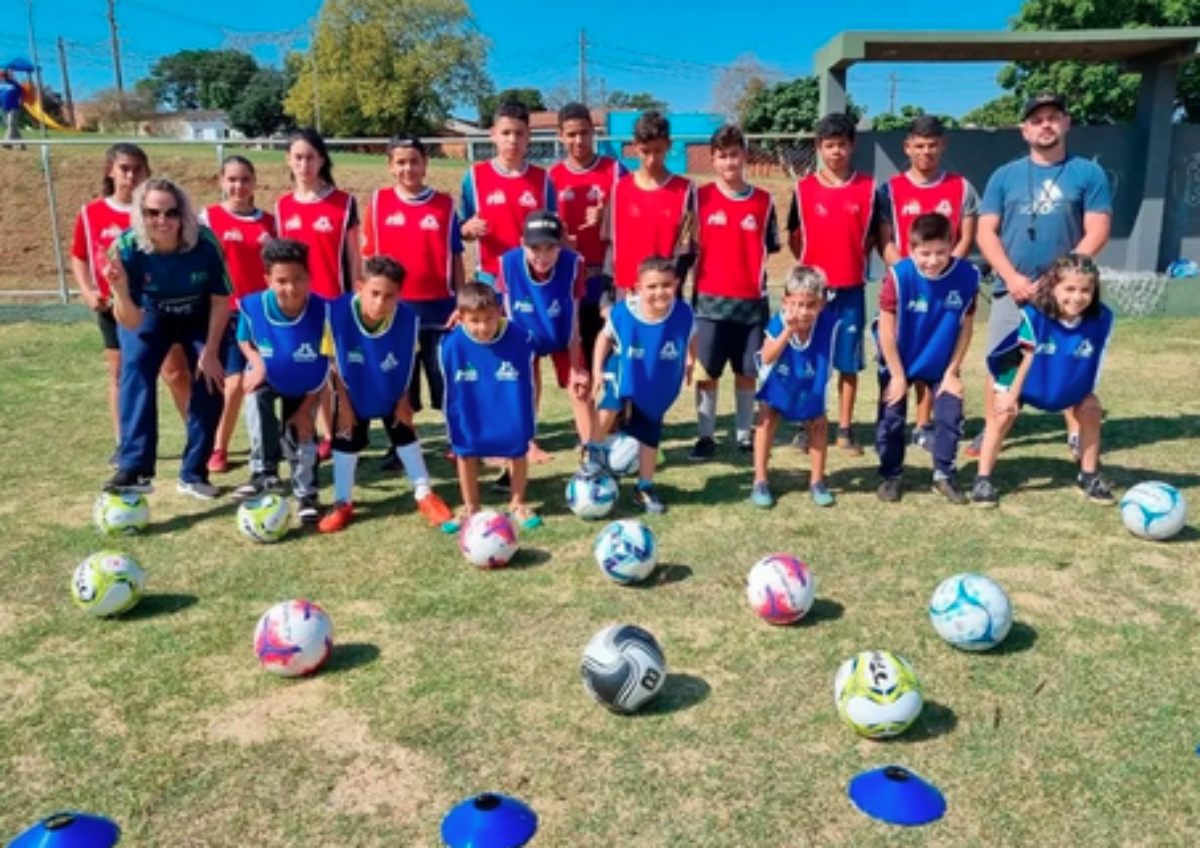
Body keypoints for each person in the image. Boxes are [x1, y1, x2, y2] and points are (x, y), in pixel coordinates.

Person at [969, 93, 1112, 461]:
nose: (1045, 125)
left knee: (1069, 361)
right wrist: (1012, 277)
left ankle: (1076, 431)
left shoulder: (1088, 173)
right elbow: (986, 232)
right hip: (1012, 290)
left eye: (1053, 117)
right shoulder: (1005, 176)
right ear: (1024, 130)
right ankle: (992, 428)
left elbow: (1097, 230)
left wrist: (1058, 279)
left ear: (1066, 123)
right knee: (1002, 362)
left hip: (1066, 293)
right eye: (1036, 119)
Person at [101, 178, 230, 498]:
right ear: (141, 214)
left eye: (172, 213)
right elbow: (129, 320)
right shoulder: (127, 248)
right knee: (136, 367)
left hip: (198, 314)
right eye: (153, 213)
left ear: (183, 214)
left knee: (210, 379)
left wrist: (211, 351)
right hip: (149, 314)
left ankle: (194, 472)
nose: (163, 221)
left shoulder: (205, 242)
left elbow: (220, 300)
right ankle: (135, 468)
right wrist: (118, 289)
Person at [71, 144, 191, 466]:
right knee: (122, 372)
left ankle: (198, 441)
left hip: (159, 304)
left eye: (138, 168)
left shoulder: (159, 211)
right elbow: (80, 256)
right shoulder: (91, 212)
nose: (131, 174)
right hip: (115, 305)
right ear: (110, 170)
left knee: (176, 370)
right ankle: (125, 442)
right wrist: (86, 290)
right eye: (124, 168)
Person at [318, 256, 453, 533]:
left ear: (399, 296)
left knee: (404, 432)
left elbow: (407, 360)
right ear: (359, 287)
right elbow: (332, 363)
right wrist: (342, 405)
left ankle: (424, 492)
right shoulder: (336, 313)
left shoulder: (406, 320)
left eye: (389, 296)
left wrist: (404, 400)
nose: (380, 303)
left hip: (390, 389)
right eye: (374, 294)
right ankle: (342, 501)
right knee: (346, 441)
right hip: (351, 391)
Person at [972, 253, 1114, 507]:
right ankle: (983, 479)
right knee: (1002, 414)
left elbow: (1095, 361)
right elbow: (1025, 358)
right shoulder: (1035, 316)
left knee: (1091, 408)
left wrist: (1083, 395)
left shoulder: (1101, 320)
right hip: (1025, 381)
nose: (1077, 296)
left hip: (1062, 384)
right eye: (1069, 288)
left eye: (1085, 290)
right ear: (1053, 287)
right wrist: (1010, 395)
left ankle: (1089, 475)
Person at [875, 115, 980, 453]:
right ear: (907, 147)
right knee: (898, 355)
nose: (926, 152)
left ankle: (925, 424)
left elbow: (965, 238)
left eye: (932, 145)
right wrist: (910, 274)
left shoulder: (962, 187)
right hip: (907, 284)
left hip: (946, 285)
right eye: (918, 146)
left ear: (942, 145)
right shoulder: (889, 189)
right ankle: (889, 430)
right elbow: (885, 241)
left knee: (938, 353)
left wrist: (946, 271)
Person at [361, 135, 465, 463]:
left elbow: (456, 257)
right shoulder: (378, 203)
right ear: (390, 166)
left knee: (444, 377)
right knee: (399, 379)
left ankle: (457, 438)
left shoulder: (445, 205)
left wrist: (461, 302)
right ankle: (401, 443)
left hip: (440, 309)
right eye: (401, 162)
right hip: (395, 311)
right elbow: (369, 259)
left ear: (425, 163)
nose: (408, 168)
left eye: (414, 161)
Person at [874, 213, 979, 505]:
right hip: (900, 360)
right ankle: (891, 474)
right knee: (891, 418)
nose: (933, 261)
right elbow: (885, 327)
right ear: (910, 250)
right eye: (925, 253)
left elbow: (965, 329)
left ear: (952, 246)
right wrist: (896, 374)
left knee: (950, 412)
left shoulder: (967, 277)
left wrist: (952, 372)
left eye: (941, 253)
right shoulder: (899, 276)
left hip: (939, 364)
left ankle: (943, 474)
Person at [787, 113, 876, 455]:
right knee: (807, 359)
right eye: (829, 145)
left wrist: (849, 262)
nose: (835, 152)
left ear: (851, 146)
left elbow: (869, 238)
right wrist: (813, 273)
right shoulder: (804, 189)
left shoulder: (869, 188)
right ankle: (804, 424)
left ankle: (845, 428)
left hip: (851, 289)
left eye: (841, 144)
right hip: (813, 294)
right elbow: (796, 237)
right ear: (819, 148)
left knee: (848, 362)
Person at [690, 124, 780, 461]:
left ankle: (744, 435)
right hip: (709, 303)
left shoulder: (764, 201)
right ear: (712, 160)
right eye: (722, 156)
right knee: (707, 374)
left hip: (751, 305)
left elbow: (769, 247)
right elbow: (689, 247)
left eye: (735, 154)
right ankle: (705, 437)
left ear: (745, 155)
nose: (729, 162)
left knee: (747, 373)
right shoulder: (701, 199)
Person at [276, 127, 362, 461]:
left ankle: (333, 431)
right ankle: (303, 430)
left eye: (310, 157)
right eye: (298, 157)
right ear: (289, 161)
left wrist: (354, 295)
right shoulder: (282, 207)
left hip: (334, 301)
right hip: (298, 304)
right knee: (305, 368)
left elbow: (354, 256)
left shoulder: (344, 203)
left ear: (321, 159)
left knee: (333, 370)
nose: (304, 164)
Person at [233, 239, 329, 525]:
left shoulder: (324, 311)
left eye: (298, 279)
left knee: (301, 436)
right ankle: (265, 472)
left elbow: (328, 367)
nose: (291, 288)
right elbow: (243, 338)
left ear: (309, 277)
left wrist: (306, 410)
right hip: (269, 376)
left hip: (306, 384)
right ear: (268, 281)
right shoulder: (253, 306)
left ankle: (307, 495)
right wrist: (257, 362)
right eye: (282, 281)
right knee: (256, 398)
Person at [496, 210, 599, 469]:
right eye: (535, 248)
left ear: (560, 244)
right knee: (526, 389)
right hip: (523, 338)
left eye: (550, 248)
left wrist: (576, 367)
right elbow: (500, 307)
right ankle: (527, 443)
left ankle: (592, 450)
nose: (542, 256)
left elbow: (574, 317)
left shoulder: (573, 263)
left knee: (580, 388)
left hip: (562, 334)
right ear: (522, 244)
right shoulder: (507, 264)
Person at [592, 256, 696, 514]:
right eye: (651, 286)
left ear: (677, 284)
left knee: (650, 429)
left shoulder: (683, 313)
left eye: (666, 285)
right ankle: (592, 454)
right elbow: (604, 339)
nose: (659, 292)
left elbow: (691, 335)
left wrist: (691, 360)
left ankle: (644, 487)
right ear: (638, 287)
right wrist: (596, 371)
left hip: (657, 377)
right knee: (613, 400)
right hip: (625, 367)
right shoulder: (623, 313)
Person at [438, 282, 543, 532]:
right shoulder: (451, 344)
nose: (483, 327)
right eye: (474, 320)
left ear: (499, 312)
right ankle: (471, 506)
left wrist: (531, 408)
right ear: (460, 317)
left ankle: (517, 502)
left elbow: (533, 373)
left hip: (510, 408)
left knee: (517, 450)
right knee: (465, 452)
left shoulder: (520, 337)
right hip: (471, 410)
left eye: (489, 318)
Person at [201, 156, 276, 474]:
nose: (238, 186)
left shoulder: (270, 222)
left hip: (261, 314)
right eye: (232, 179)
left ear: (254, 182)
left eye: (245, 179)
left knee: (259, 382)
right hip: (225, 313)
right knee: (229, 384)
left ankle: (282, 442)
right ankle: (219, 447)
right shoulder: (209, 218)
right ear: (221, 181)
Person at [750, 265, 838, 509]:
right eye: (797, 304)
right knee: (766, 418)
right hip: (779, 379)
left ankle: (817, 482)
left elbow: (826, 363)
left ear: (820, 304)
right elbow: (767, 356)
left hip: (810, 379)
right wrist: (788, 330)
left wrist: (822, 402)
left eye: (810, 305)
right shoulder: (779, 321)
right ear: (786, 302)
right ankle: (760, 480)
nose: (803, 311)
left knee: (818, 424)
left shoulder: (827, 322)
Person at [549, 102, 625, 377]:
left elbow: (631, 221)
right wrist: (559, 240)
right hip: (568, 280)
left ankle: (614, 419)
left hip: (606, 278)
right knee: (576, 362)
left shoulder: (616, 171)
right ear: (560, 135)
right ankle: (587, 419)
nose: (578, 140)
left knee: (610, 356)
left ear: (594, 132)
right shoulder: (551, 177)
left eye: (584, 133)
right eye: (571, 134)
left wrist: (608, 216)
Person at [459, 101, 555, 286]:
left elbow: (553, 229)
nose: (512, 140)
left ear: (529, 137)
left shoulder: (543, 179)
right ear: (493, 134)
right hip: (491, 277)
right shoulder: (474, 177)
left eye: (519, 133)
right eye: (506, 133)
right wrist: (467, 228)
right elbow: (462, 228)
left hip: (533, 277)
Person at [608, 110, 697, 295]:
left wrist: (665, 287)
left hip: (664, 295)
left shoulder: (686, 191)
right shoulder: (619, 189)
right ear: (634, 147)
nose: (651, 159)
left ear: (669, 146)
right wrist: (607, 296)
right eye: (645, 151)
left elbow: (686, 249)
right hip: (628, 293)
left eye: (658, 151)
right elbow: (611, 245)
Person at [1, 69, 24, 149]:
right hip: (4, 108)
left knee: (11, 124)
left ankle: (7, 143)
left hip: (14, 107)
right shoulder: (0, 84)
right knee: (12, 126)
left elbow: (21, 93)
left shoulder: (14, 84)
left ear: (7, 76)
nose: (2, 77)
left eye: (4, 75)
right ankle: (22, 144)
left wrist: (21, 103)